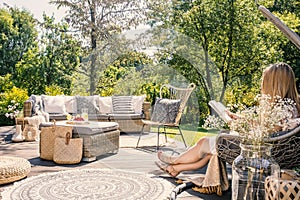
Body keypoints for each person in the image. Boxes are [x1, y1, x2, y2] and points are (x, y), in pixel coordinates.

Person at [156, 62, 300, 177]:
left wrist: (235, 124)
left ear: (273, 84)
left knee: (203, 143)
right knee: (209, 151)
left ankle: (175, 161)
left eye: (265, 81)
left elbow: (264, 135)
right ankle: (177, 168)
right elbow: (268, 129)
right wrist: (240, 118)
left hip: (260, 152)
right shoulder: (288, 107)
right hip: (268, 150)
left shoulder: (282, 110)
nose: (262, 84)